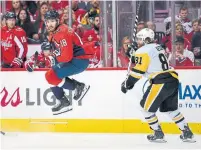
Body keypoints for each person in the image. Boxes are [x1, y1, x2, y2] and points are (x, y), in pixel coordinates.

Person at [121, 28, 195, 143]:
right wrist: (133, 55)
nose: (138, 42)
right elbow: (149, 60)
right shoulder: (157, 47)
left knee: (145, 108)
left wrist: (127, 84)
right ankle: (187, 132)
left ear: (145, 40)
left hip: (160, 81)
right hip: (172, 79)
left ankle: (158, 133)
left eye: (140, 39)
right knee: (170, 109)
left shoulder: (143, 51)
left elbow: (138, 71)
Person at [44, 10, 93, 115]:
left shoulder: (61, 32)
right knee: (50, 75)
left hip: (79, 60)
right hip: (77, 59)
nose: (49, 24)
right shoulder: (57, 31)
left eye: (52, 21)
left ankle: (77, 89)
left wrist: (53, 58)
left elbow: (66, 57)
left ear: (58, 21)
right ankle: (64, 100)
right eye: (48, 21)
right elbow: (60, 53)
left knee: (50, 76)